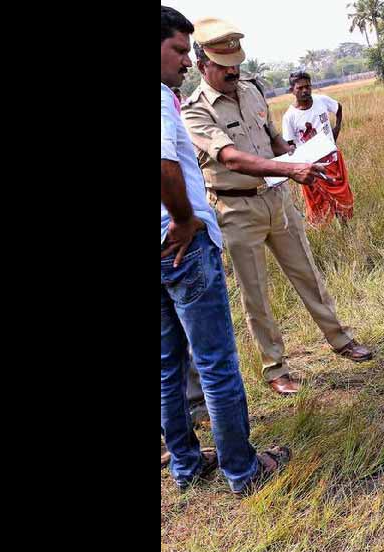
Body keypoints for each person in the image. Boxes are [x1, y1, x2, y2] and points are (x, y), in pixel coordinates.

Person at [182, 17, 373, 396]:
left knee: (308, 273)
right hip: (236, 210)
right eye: (224, 67)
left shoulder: (252, 90)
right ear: (202, 64)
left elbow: (274, 144)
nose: (233, 72)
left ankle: (341, 340)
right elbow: (233, 158)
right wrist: (290, 167)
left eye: (236, 64)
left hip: (277, 199)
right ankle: (276, 369)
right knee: (256, 293)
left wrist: (305, 155)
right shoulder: (195, 111)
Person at [161, 6, 290, 495]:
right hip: (182, 245)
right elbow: (165, 166)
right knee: (215, 362)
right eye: (177, 50)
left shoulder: (250, 91)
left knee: (167, 364)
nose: (185, 62)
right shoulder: (163, 100)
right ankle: (242, 468)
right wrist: (183, 219)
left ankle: (187, 465)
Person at [281, 71, 354, 228]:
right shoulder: (289, 116)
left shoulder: (322, 101)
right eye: (300, 88)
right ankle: (324, 235)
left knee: (341, 197)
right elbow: (289, 144)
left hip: (332, 159)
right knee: (317, 204)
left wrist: (337, 129)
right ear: (292, 90)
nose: (305, 91)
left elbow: (338, 108)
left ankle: (346, 230)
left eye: (308, 87)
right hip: (311, 167)